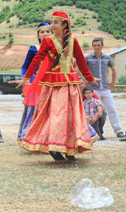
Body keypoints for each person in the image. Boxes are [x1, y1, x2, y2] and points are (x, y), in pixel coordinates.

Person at [16, 11, 100, 163]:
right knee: (57, 117)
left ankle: (70, 150)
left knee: (72, 117)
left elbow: (81, 62)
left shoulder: (73, 40)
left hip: (72, 85)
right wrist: (27, 77)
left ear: (64, 25)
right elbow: (37, 60)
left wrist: (90, 78)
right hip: (54, 86)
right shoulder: (48, 41)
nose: (52, 25)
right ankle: (55, 148)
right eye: (51, 22)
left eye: (55, 22)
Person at [17, 22, 52, 141]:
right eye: (42, 32)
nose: (45, 34)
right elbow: (25, 66)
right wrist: (25, 78)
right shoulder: (34, 49)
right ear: (38, 35)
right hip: (36, 84)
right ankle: (31, 139)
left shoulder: (58, 48)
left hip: (53, 82)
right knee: (34, 111)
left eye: (48, 31)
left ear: (52, 33)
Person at [83, 38, 124, 139]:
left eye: (98, 45)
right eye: (95, 45)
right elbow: (79, 69)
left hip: (105, 88)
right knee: (94, 110)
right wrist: (85, 82)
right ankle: (97, 132)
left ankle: (118, 131)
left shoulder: (107, 57)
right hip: (93, 89)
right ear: (92, 46)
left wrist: (113, 83)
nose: (97, 47)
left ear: (102, 46)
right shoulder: (88, 58)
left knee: (112, 109)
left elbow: (113, 70)